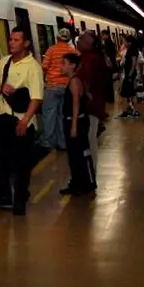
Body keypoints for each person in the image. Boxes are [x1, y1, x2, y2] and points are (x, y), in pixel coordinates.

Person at [0, 27, 44, 216]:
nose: (12, 43)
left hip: (22, 121)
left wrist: (25, 121)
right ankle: (2, 197)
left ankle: (20, 200)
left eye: (16, 40)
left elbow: (36, 98)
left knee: (21, 164)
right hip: (3, 119)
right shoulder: (5, 62)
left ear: (26, 43)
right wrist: (1, 87)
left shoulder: (33, 67)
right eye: (10, 39)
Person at [58, 53, 96, 196]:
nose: (61, 66)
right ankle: (78, 183)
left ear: (72, 66)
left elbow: (76, 104)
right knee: (76, 154)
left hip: (75, 121)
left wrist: (74, 125)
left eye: (64, 63)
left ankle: (82, 184)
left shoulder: (74, 81)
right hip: (78, 120)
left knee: (77, 154)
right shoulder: (76, 80)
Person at [74, 31, 107, 170]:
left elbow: (86, 81)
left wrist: (84, 95)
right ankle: (89, 172)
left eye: (81, 39)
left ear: (89, 43)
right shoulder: (93, 58)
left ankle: (89, 173)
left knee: (88, 140)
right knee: (89, 139)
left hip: (89, 107)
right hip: (94, 106)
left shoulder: (89, 60)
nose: (78, 41)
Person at [37, 28, 74, 151]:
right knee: (62, 115)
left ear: (57, 38)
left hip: (52, 87)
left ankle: (48, 142)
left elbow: (44, 67)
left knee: (49, 115)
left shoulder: (51, 50)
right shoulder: (72, 51)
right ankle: (62, 143)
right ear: (68, 39)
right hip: (66, 87)